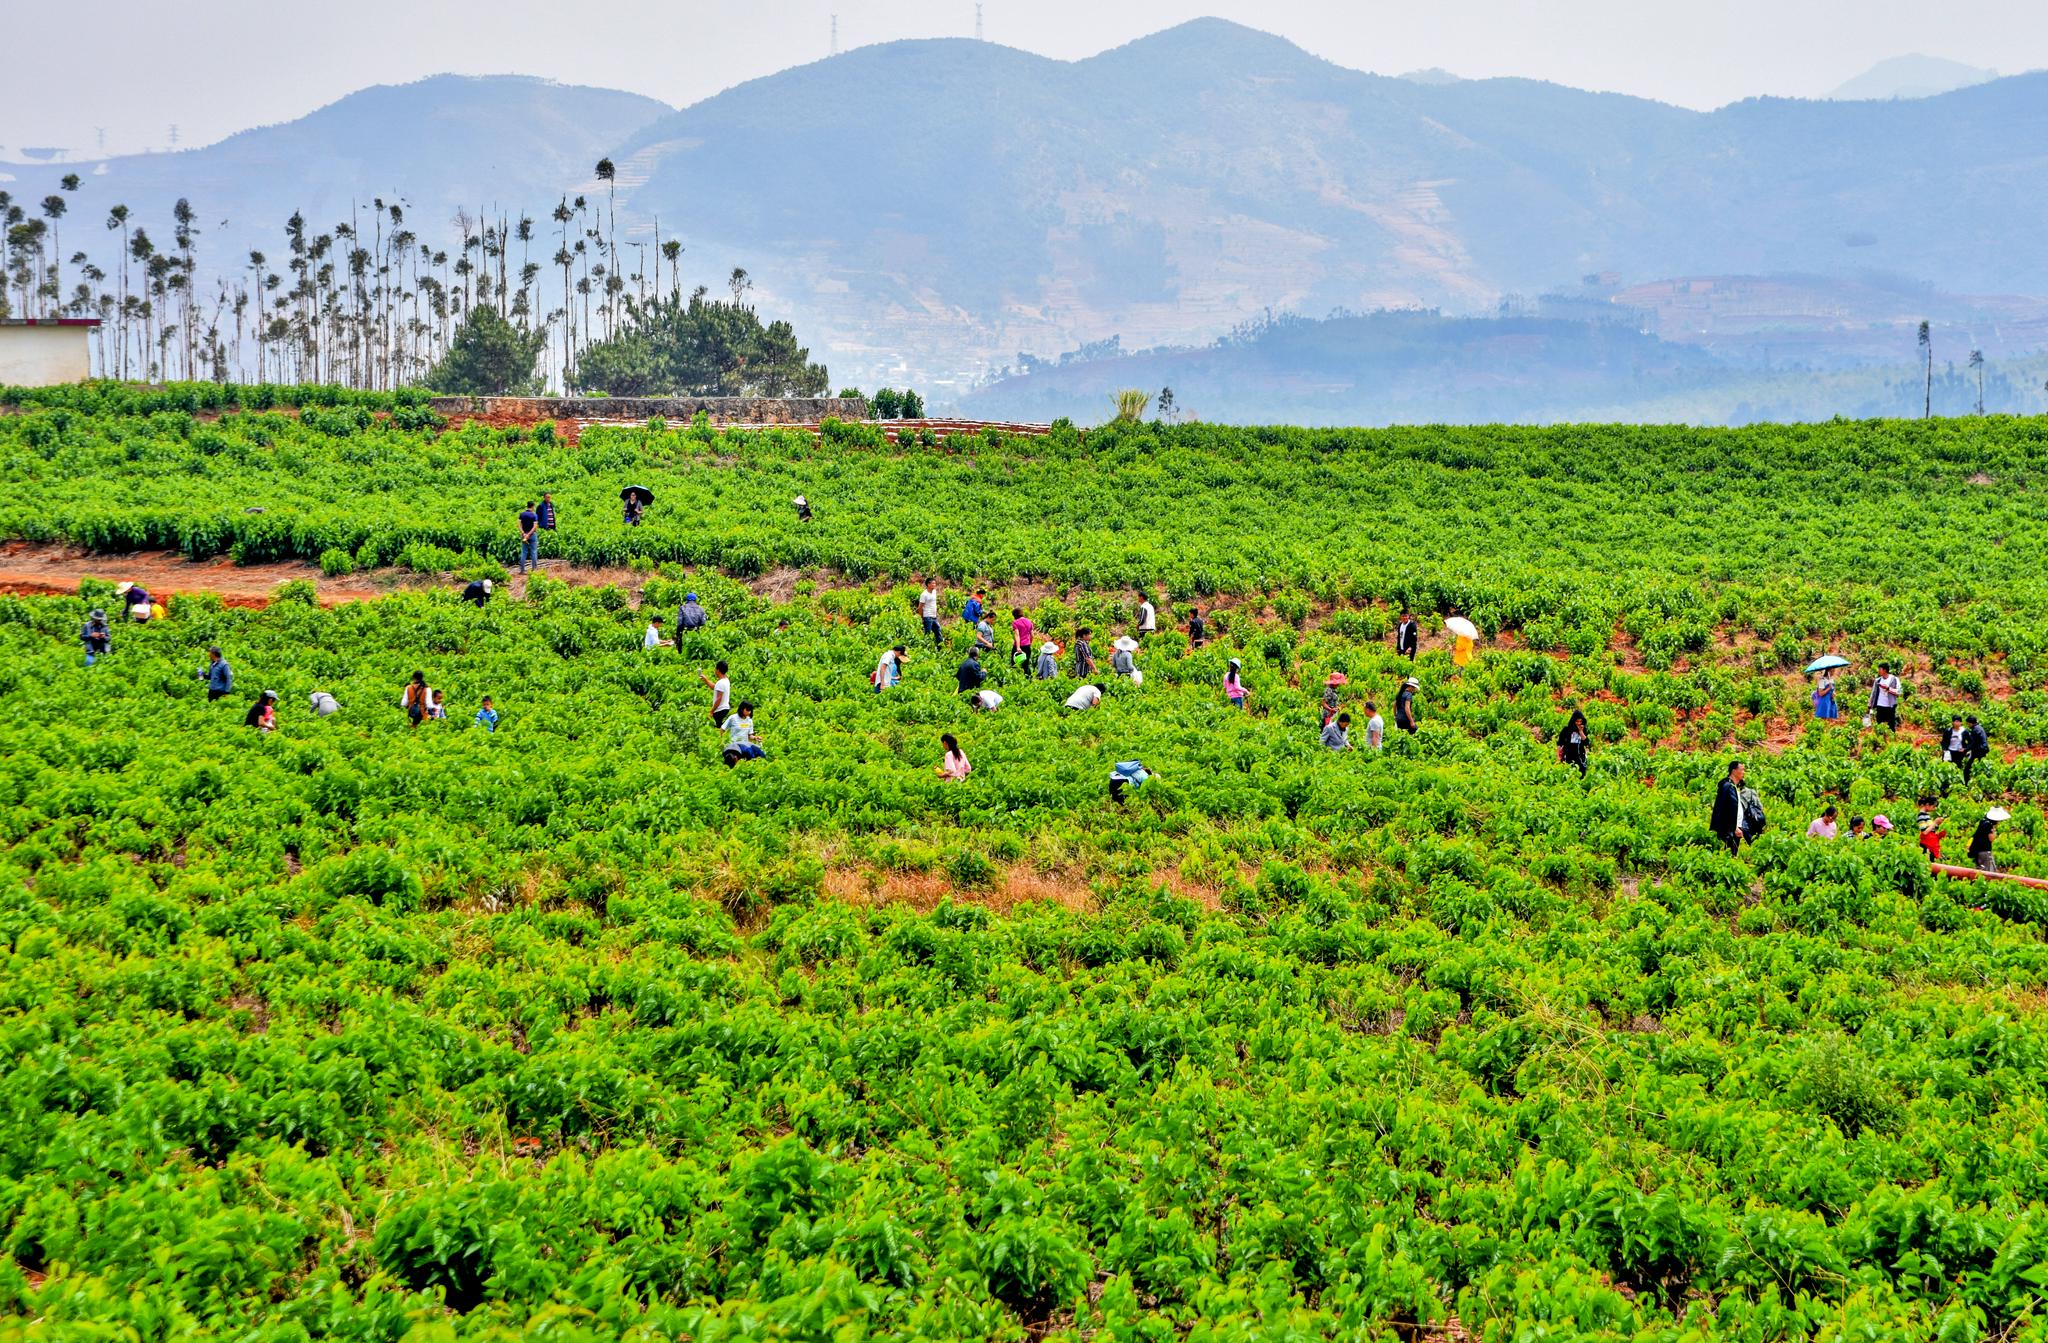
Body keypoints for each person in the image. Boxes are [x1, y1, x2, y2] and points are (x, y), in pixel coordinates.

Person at [1711, 760, 1749, 855]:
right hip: (1729, 829)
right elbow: (1723, 810)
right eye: (1742, 770)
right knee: (1729, 854)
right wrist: (1734, 827)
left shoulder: (1735, 786)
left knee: (1733, 853)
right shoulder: (1727, 786)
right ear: (1734, 771)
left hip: (1735, 827)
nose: (1743, 772)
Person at [1969, 807, 2007, 873]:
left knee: (1981, 868)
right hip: (1984, 851)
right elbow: (1991, 838)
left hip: (1978, 851)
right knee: (1988, 871)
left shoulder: (1983, 822)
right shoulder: (1988, 825)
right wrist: (1994, 831)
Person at [1869, 663, 1903, 728]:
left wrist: (1888, 688)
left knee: (1891, 725)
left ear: (1885, 670)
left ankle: (1891, 737)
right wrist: (1870, 704)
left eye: (1880, 669)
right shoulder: (1878, 680)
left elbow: (1899, 692)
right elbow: (1873, 693)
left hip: (1890, 706)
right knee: (1879, 724)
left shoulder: (1894, 679)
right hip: (1880, 705)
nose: (1878, 671)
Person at [699, 660, 731, 728]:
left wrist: (711, 711)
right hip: (725, 708)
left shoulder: (721, 683)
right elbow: (715, 687)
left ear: (718, 670)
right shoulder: (726, 680)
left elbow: (719, 699)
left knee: (718, 729)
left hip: (720, 710)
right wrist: (706, 680)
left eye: (715, 669)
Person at [1558, 708, 1590, 777]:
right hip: (1568, 755)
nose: (1578, 723)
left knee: (1581, 773)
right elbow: (1560, 743)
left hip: (1579, 755)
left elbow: (1586, 742)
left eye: (1580, 721)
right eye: (1577, 721)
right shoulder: (1566, 730)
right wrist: (1559, 756)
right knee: (1568, 773)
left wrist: (1581, 731)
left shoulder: (1583, 730)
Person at [1962, 716, 1990, 786]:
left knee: (1967, 769)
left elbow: (1973, 743)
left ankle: (1967, 784)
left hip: (1979, 750)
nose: (1968, 725)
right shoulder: (1979, 728)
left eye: (1968, 724)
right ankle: (1982, 783)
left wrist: (1965, 750)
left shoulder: (1975, 730)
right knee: (1980, 767)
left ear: (1971, 723)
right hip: (1982, 749)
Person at [919, 581, 943, 650]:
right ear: (928, 584)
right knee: (928, 634)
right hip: (927, 617)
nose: (934, 585)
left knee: (938, 631)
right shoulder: (924, 595)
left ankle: (940, 649)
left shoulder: (934, 592)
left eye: (935, 583)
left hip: (934, 617)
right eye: (932, 583)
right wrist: (923, 617)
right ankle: (926, 649)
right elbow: (920, 607)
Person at [517, 501, 540, 574]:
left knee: (524, 552)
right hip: (532, 535)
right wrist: (529, 534)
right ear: (533, 506)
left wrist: (524, 533)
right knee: (533, 552)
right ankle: (534, 569)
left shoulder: (522, 514)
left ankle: (522, 570)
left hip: (524, 535)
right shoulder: (534, 515)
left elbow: (519, 525)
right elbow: (535, 526)